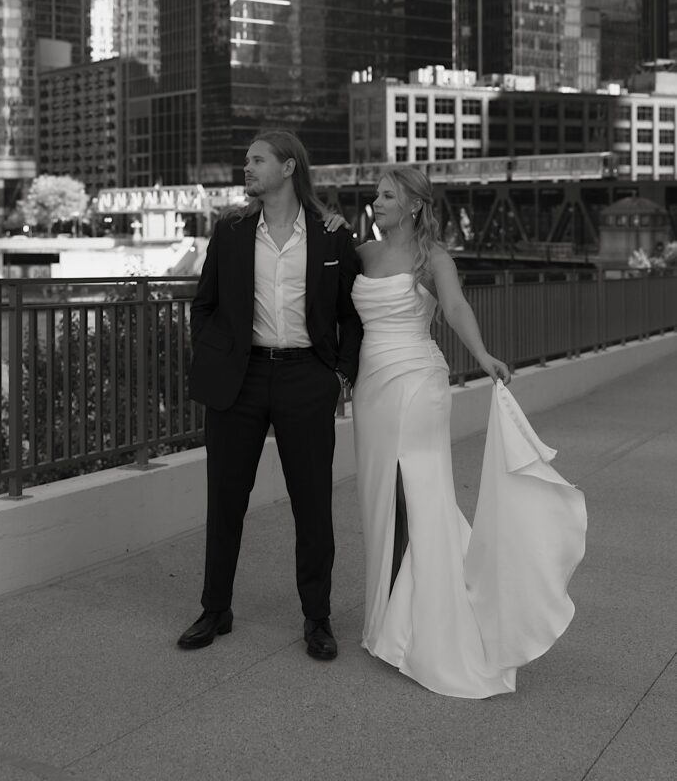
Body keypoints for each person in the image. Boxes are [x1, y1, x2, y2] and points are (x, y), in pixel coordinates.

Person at [351, 166, 586, 697]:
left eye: (387, 195)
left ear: (413, 205)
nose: (377, 201)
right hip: (371, 389)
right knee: (379, 498)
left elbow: (455, 307)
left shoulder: (432, 258)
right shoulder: (362, 254)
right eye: (376, 195)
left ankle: (424, 622)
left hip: (416, 383)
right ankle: (389, 612)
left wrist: (481, 356)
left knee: (417, 494)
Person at [178, 131, 363, 658]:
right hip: (241, 379)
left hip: (307, 376)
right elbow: (204, 303)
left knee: (312, 503)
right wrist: (212, 354)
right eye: (246, 160)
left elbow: (351, 315)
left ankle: (318, 618)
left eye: (257, 160)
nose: (247, 167)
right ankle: (216, 609)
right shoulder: (232, 231)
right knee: (225, 499)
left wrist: (340, 374)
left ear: (288, 167)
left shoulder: (331, 238)